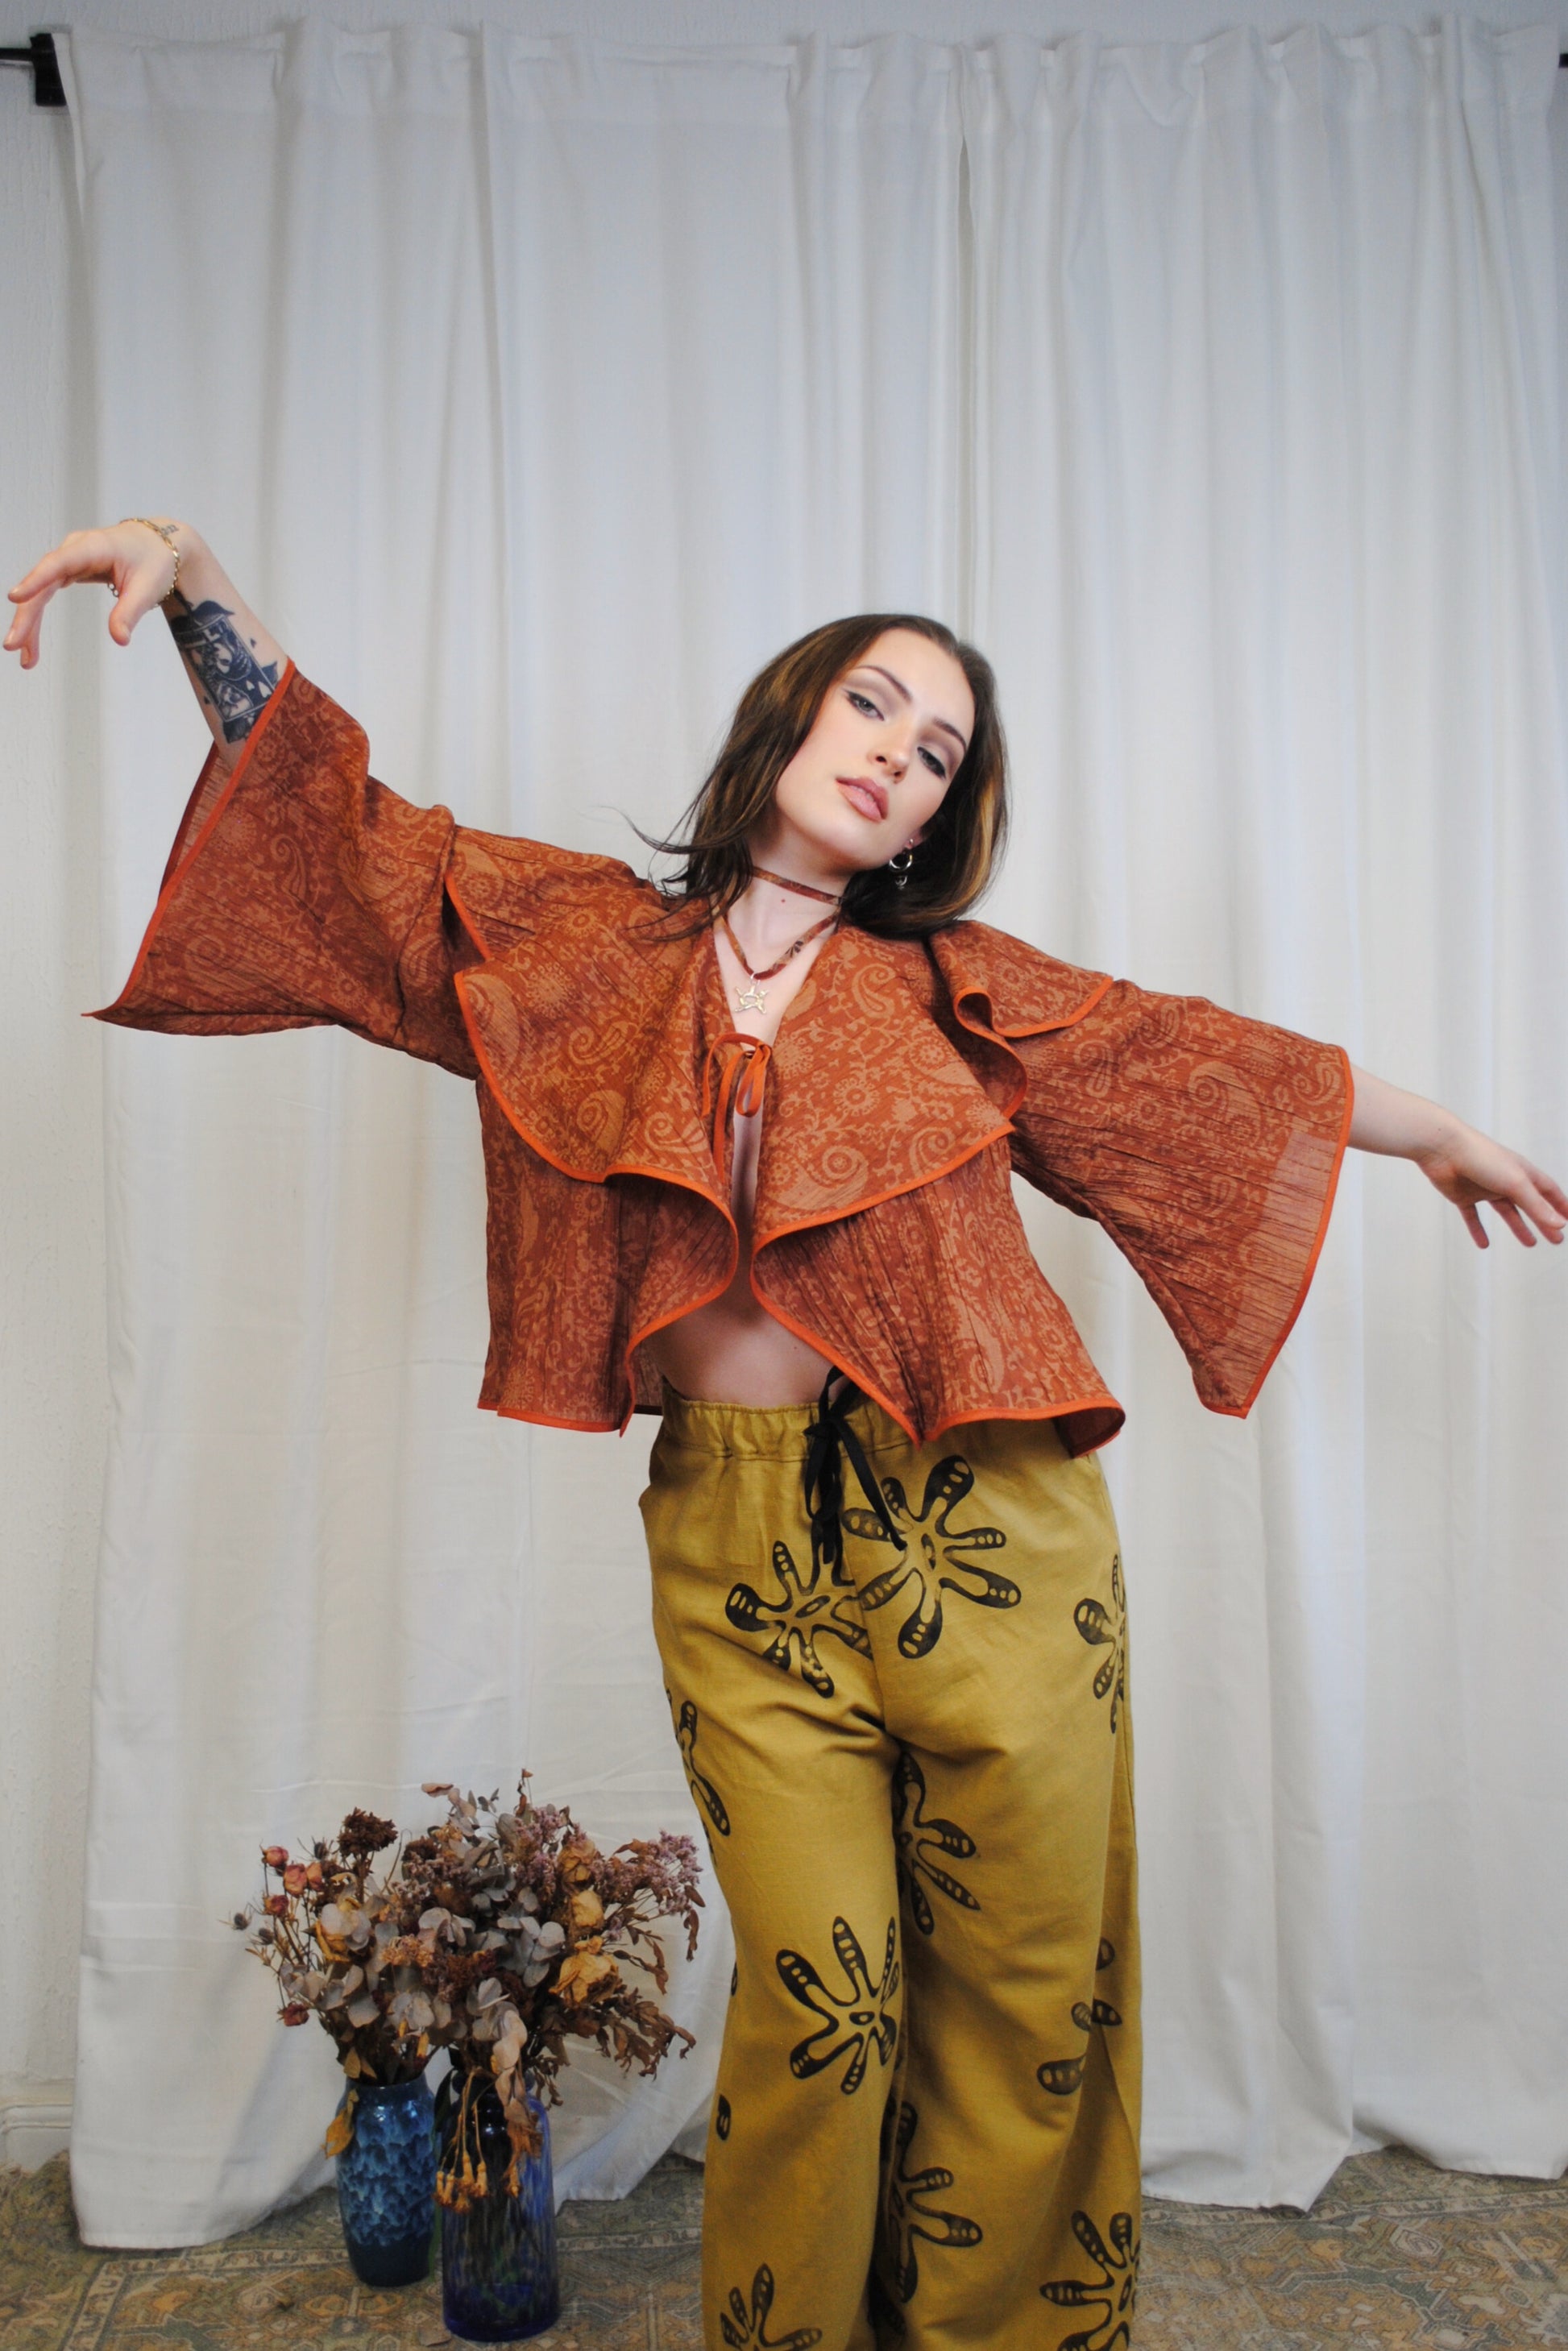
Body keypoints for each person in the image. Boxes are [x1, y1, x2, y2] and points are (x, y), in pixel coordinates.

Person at [9, 520, 1564, 2351]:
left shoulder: (958, 986)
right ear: (788, 716)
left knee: (1022, 1997)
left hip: (990, 1534)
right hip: (736, 1545)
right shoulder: (585, 944)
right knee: (829, 2005)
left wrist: (1442, 1131)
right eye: (873, 703)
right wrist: (196, 582)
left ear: (929, 822)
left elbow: (1198, 1062)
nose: (898, 752)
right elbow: (356, 842)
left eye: (937, 751)